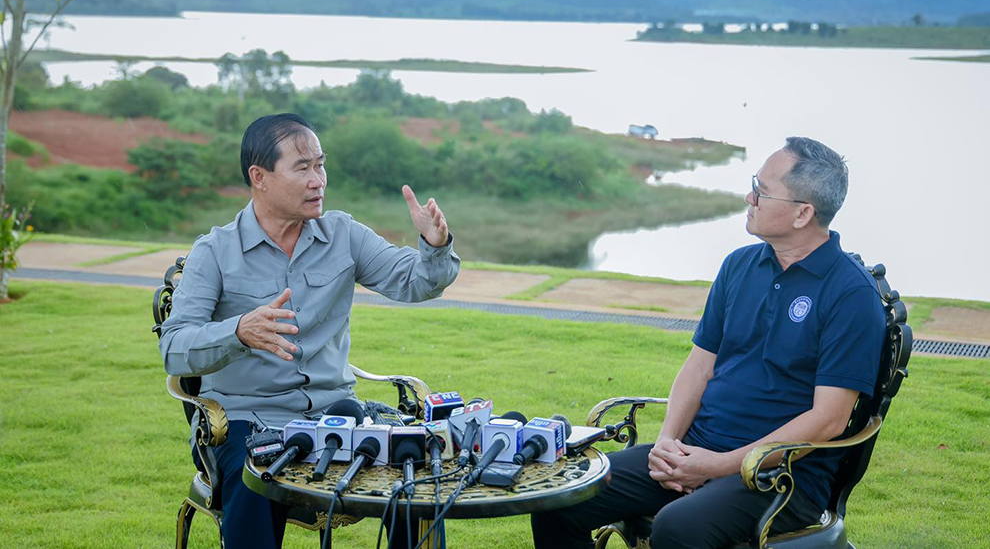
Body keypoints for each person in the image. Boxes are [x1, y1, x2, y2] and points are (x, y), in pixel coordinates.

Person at [531, 137, 885, 549]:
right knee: (559, 497)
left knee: (678, 527)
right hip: (696, 451)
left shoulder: (850, 294)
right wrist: (668, 443)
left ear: (803, 213)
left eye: (762, 190)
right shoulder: (739, 265)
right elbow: (699, 366)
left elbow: (829, 419)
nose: (749, 196)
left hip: (781, 478)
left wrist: (718, 466)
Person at [159, 113, 460, 549]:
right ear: (259, 177)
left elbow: (414, 281)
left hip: (338, 413)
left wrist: (434, 246)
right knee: (253, 481)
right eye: (302, 168)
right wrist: (239, 331)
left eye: (320, 165)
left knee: (415, 473)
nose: (318, 179)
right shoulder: (215, 252)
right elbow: (174, 349)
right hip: (247, 419)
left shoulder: (344, 234)